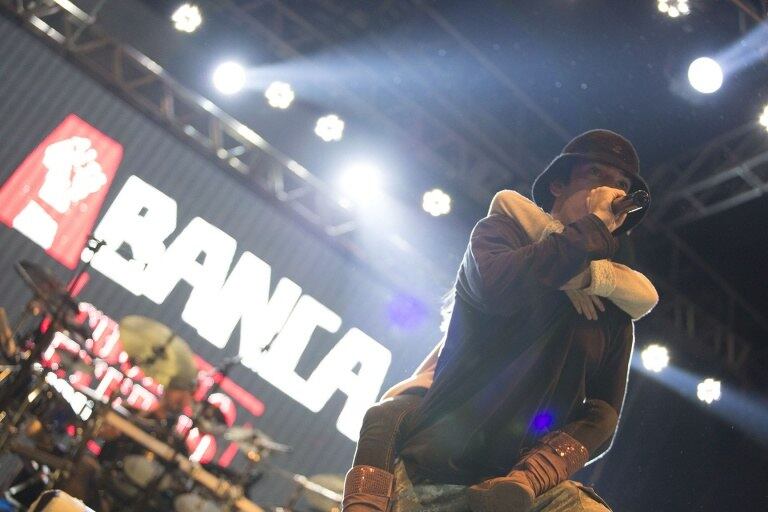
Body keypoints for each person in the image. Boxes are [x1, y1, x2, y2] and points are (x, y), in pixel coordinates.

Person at [342, 130, 658, 512]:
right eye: (596, 175)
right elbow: (500, 290)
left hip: (514, 490)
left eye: (622, 185)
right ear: (558, 185)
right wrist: (581, 247)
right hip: (432, 475)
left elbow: (605, 411)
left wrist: (535, 474)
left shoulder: (613, 306)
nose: (611, 191)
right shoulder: (498, 237)